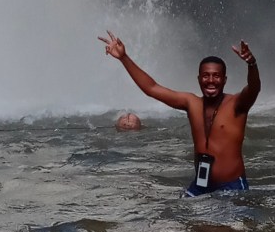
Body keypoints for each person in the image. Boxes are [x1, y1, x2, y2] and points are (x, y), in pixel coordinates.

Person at [100, 32, 260, 194]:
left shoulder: (236, 105)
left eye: (216, 76)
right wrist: (124, 58)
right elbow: (152, 88)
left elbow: (254, 89)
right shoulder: (192, 103)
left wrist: (251, 64)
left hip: (231, 186)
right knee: (173, 216)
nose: (210, 80)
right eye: (205, 76)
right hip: (201, 186)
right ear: (198, 79)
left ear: (224, 80)